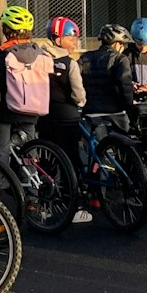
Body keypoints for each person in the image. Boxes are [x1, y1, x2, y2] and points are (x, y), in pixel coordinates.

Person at [39, 16, 92, 223]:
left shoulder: (39, 59)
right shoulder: (70, 63)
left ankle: (44, 206)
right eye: (71, 38)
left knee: (47, 162)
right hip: (68, 118)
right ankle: (75, 206)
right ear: (58, 39)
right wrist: (81, 104)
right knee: (71, 161)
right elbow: (79, 95)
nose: (75, 42)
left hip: (44, 116)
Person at [0, 7, 56, 168]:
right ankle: (31, 179)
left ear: (6, 30)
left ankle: (2, 181)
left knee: (1, 153)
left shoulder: (0, 55)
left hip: (6, 112)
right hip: (33, 110)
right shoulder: (40, 54)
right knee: (29, 151)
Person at [81, 24, 139, 117]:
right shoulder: (120, 59)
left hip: (89, 111)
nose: (124, 47)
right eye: (123, 44)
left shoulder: (85, 57)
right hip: (114, 112)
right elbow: (125, 86)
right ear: (116, 43)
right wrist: (130, 107)